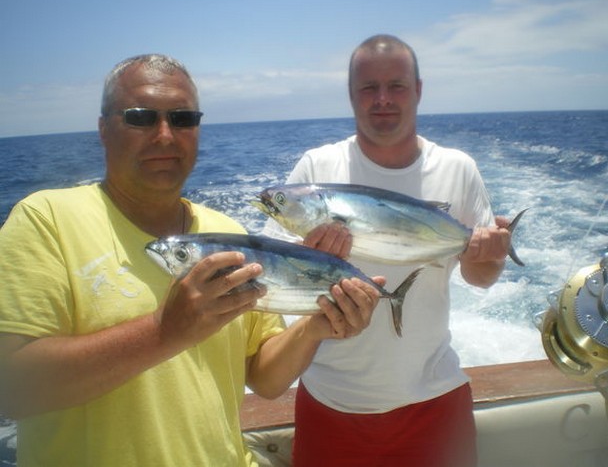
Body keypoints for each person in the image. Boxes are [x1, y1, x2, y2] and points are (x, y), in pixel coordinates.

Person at [0, 54, 383, 467]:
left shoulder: (227, 232)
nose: (165, 135)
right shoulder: (46, 219)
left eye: (183, 119)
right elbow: (12, 388)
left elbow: (266, 377)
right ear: (103, 130)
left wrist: (314, 327)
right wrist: (164, 333)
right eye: (141, 117)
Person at [263, 35, 514, 467]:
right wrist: (313, 259)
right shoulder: (316, 171)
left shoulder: (457, 169)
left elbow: (480, 277)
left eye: (396, 86)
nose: (382, 99)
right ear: (350, 94)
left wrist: (488, 255)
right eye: (368, 87)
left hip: (435, 400)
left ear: (418, 90)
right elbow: (275, 278)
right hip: (332, 402)